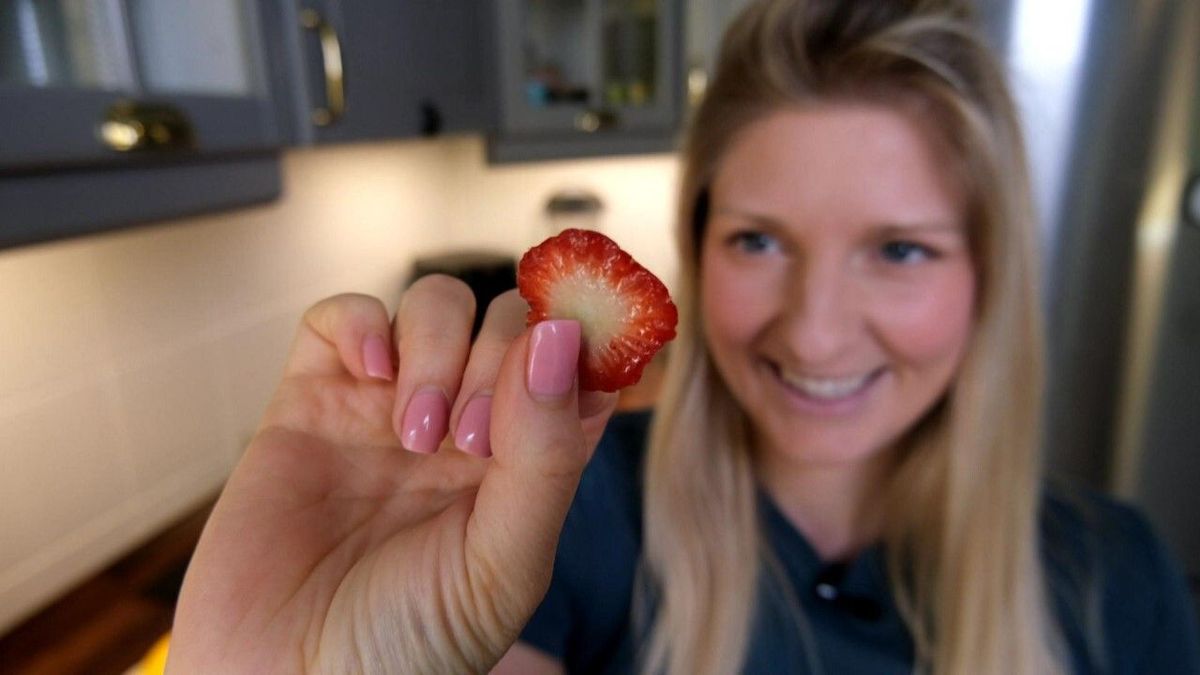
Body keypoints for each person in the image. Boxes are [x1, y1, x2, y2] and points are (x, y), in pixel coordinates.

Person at [168, 0, 1200, 673]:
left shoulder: (1123, 584)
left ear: (990, 277)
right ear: (698, 252)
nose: (819, 329)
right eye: (759, 239)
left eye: (900, 250)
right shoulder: (554, 515)